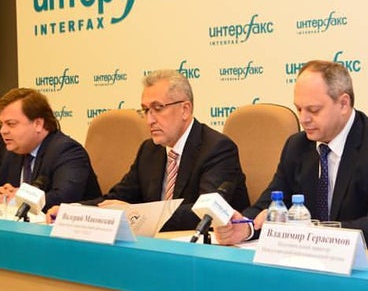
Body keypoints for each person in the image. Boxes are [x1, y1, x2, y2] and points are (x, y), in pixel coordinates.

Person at [215, 60, 368, 251]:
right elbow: (270, 204)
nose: (304, 119)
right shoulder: (297, 146)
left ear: (343, 104)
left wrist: (305, 231)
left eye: (314, 110)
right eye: (299, 109)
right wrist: (245, 227)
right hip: (320, 262)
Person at [77, 69, 249, 231]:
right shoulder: (149, 150)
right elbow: (119, 198)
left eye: (158, 108)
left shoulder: (217, 148)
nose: (149, 120)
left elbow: (205, 212)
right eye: (145, 110)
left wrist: (136, 213)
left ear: (185, 109)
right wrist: (75, 210)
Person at [0, 88, 100, 211]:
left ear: (38, 124)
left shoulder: (68, 151)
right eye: (2, 124)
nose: (3, 131)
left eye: (11, 124)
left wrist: (18, 198)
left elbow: (63, 199)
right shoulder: (12, 151)